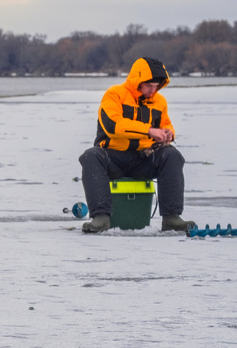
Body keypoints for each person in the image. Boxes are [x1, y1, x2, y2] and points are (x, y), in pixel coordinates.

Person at [80, 57, 195, 234]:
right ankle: (101, 218)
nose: (153, 90)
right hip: (113, 158)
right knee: (91, 156)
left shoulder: (160, 102)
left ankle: (171, 218)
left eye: (156, 86)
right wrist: (149, 130)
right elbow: (113, 126)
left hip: (144, 158)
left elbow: (166, 124)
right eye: (149, 85)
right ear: (138, 82)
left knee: (172, 155)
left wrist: (169, 133)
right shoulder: (114, 95)